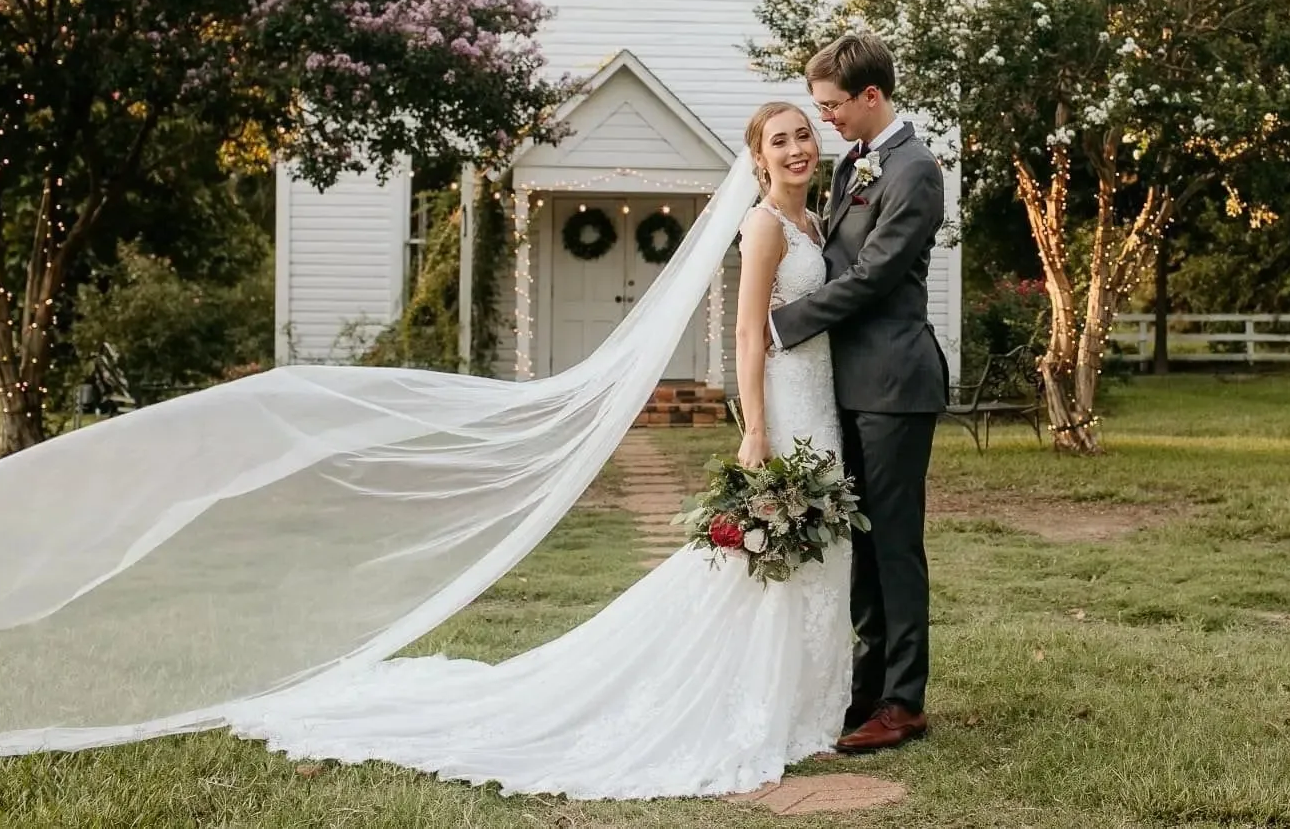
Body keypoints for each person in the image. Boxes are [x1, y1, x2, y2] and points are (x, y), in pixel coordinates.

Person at [223, 101, 853, 799]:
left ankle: (807, 709)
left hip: (819, 403)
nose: (796, 148)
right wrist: (756, 429)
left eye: (803, 135)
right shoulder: (764, 225)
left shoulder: (813, 223)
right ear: (758, 157)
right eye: (779, 140)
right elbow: (744, 335)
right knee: (766, 561)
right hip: (787, 409)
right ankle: (764, 707)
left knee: (812, 555)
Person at [770, 31, 948, 755]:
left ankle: (903, 703)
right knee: (863, 546)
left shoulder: (916, 172)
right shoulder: (853, 165)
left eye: (833, 106)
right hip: (846, 382)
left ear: (871, 96)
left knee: (895, 548)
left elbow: (874, 277)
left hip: (894, 384)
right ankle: (867, 690)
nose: (826, 120)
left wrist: (782, 326)